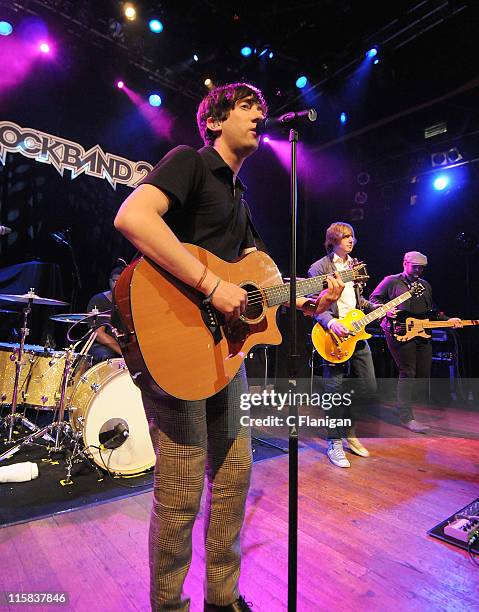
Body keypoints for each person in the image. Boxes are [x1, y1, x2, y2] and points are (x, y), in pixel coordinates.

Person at [113, 82, 344, 612]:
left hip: (225, 356)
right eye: (248, 107)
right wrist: (213, 286)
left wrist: (308, 300)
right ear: (215, 120)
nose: (261, 114)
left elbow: (257, 287)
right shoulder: (189, 163)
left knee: (236, 475)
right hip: (177, 346)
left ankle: (222, 597)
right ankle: (168, 606)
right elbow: (134, 217)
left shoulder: (240, 200)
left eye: (263, 108)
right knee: (181, 492)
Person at [308, 221, 377, 469]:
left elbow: (357, 302)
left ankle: (349, 430)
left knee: (368, 387)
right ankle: (334, 441)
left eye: (352, 237)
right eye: (345, 237)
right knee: (334, 390)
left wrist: (375, 308)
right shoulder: (319, 268)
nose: (351, 240)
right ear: (333, 240)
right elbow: (312, 305)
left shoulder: (355, 266)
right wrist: (330, 322)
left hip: (357, 334)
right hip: (332, 336)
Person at [369, 250, 462, 432]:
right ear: (405, 263)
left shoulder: (425, 285)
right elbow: (373, 299)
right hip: (399, 331)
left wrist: (448, 321)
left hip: (421, 331)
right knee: (408, 371)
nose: (418, 270)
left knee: (422, 373)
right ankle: (406, 416)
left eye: (422, 268)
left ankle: (403, 407)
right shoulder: (392, 281)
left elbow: (432, 311)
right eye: (415, 267)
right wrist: (385, 310)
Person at [86, 265, 124, 364]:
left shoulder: (130, 301)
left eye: (120, 282)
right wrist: (123, 352)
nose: (116, 285)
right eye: (114, 281)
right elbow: (98, 334)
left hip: (125, 345)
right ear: (109, 281)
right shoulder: (99, 300)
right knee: (105, 354)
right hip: (103, 346)